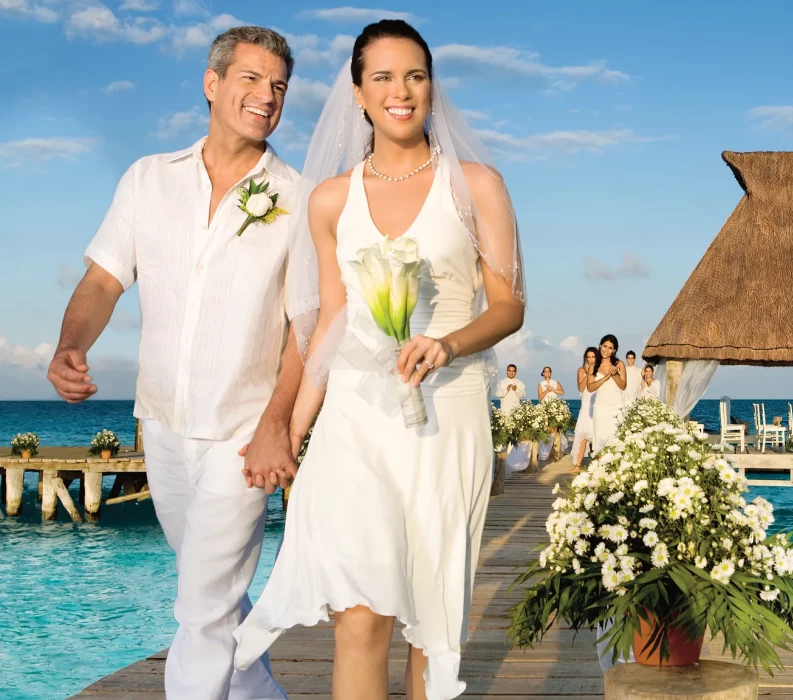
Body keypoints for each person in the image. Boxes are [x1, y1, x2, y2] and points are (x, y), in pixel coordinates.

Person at [231, 19, 525, 700]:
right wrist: (292, 430)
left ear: (431, 88)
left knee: (430, 627)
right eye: (384, 77)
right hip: (355, 422)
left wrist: (448, 343)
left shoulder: (476, 185)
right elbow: (331, 324)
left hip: (445, 419)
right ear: (358, 93)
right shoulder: (331, 200)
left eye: (415, 76)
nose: (402, 91)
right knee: (359, 619)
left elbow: (510, 306)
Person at [46, 26, 298, 700]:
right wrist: (71, 344)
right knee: (210, 593)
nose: (266, 95)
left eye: (277, 85)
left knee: (201, 609)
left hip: (243, 433)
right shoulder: (147, 179)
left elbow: (308, 327)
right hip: (159, 423)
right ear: (212, 84)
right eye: (250, 78)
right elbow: (102, 281)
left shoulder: (299, 199)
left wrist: (280, 423)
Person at [588, 334, 627, 452]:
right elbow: (590, 388)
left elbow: (623, 386)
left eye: (610, 348)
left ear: (614, 350)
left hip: (617, 407)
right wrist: (605, 377)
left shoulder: (619, 364)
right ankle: (600, 469)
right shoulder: (593, 366)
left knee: (617, 441)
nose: (606, 350)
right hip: (600, 408)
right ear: (600, 346)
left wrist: (614, 375)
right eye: (605, 346)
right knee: (600, 442)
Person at [570, 347, 597, 474]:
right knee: (582, 436)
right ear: (586, 358)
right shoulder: (581, 370)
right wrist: (588, 374)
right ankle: (577, 465)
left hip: (596, 405)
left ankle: (598, 464)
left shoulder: (600, 371)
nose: (590, 359)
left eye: (593, 356)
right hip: (585, 406)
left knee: (596, 436)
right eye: (588, 357)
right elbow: (581, 388)